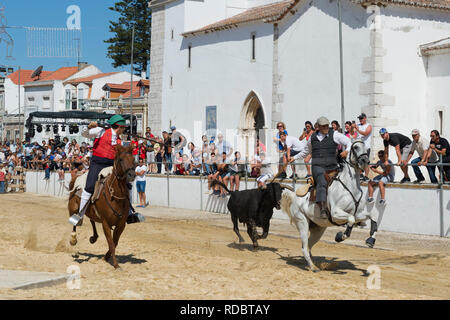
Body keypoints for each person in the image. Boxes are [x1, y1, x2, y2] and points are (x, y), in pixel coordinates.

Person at [68, 115, 144, 226]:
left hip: (112, 165)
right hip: (98, 163)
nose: (124, 130)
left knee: (127, 185)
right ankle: (80, 214)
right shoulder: (101, 131)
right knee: (89, 187)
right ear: (119, 126)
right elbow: (84, 134)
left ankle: (129, 213)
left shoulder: (119, 140)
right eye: (123, 128)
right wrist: (88, 127)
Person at [298, 117, 352, 219]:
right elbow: (306, 152)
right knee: (322, 182)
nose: (326, 128)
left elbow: (349, 141)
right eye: (324, 126)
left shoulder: (335, 134)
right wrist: (294, 157)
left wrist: (347, 150)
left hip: (332, 167)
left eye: (327, 125)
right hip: (317, 167)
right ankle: (323, 209)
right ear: (318, 127)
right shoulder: (312, 138)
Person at [353, 113, 373, 181]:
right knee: (358, 161)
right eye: (359, 118)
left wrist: (357, 129)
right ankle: (360, 174)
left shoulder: (368, 126)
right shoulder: (357, 126)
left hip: (366, 147)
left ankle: (366, 176)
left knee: (366, 162)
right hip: (358, 147)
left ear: (365, 118)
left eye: (361, 118)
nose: (360, 120)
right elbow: (355, 135)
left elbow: (366, 133)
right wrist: (353, 129)